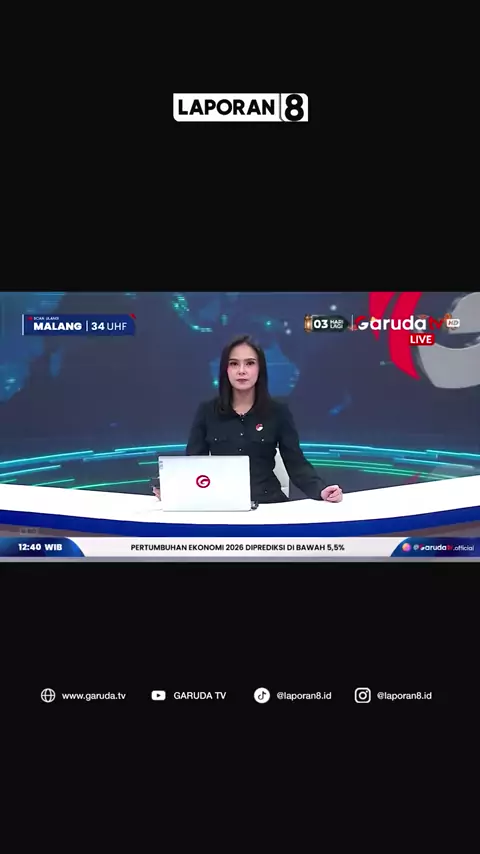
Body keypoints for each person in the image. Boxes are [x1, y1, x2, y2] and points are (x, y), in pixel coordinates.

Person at [153, 334, 343, 505]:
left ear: (260, 369)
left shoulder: (278, 412)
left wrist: (320, 490)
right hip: (223, 504)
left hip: (269, 503)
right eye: (234, 364)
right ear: (225, 370)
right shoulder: (207, 411)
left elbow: (295, 462)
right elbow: (194, 464)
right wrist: (172, 488)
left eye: (250, 363)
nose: (241, 371)